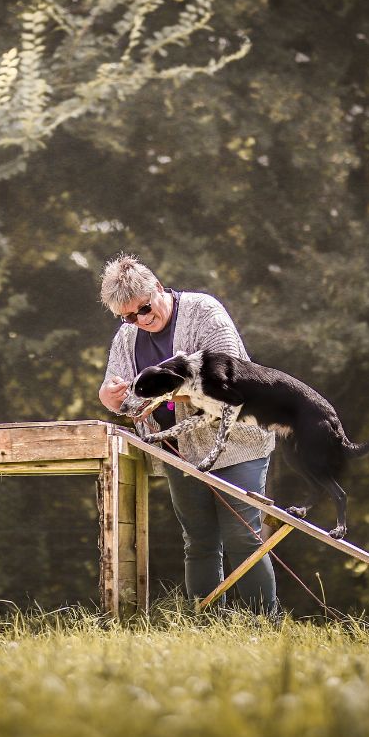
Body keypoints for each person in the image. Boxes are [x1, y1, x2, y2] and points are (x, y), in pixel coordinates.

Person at [97, 253, 278, 615]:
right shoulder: (127, 336)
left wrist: (165, 389)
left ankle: (265, 625)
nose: (140, 321)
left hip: (236, 442)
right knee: (199, 541)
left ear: (159, 289)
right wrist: (109, 396)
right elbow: (118, 394)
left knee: (243, 536)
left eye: (144, 309)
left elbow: (228, 374)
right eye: (128, 316)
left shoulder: (203, 310)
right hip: (177, 450)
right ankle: (207, 623)